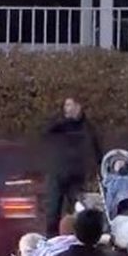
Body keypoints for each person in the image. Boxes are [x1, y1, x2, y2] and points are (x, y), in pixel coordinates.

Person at [42, 98, 103, 236]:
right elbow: (45, 132)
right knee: (53, 210)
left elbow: (97, 148)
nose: (67, 108)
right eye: (65, 105)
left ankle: (75, 238)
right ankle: (51, 239)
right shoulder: (58, 125)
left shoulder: (87, 127)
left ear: (78, 106)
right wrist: (63, 120)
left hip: (77, 174)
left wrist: (99, 167)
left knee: (77, 209)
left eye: (70, 105)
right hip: (58, 172)